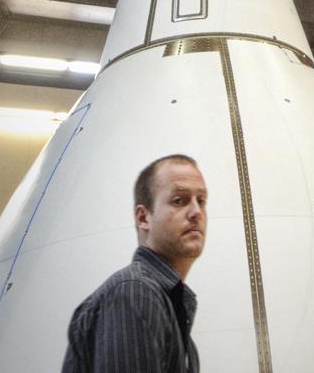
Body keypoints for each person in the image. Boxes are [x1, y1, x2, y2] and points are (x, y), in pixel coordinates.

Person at [61, 154, 207, 372]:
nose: (196, 212)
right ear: (143, 218)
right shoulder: (135, 293)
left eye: (201, 201)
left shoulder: (172, 310)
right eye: (179, 200)